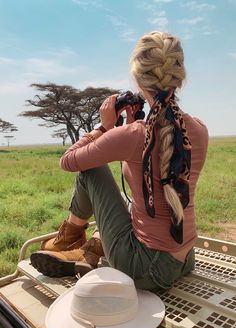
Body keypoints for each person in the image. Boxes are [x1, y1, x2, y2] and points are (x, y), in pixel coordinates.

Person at [30, 31, 208, 290]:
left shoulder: (132, 136)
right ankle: (90, 250)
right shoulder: (199, 129)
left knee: (91, 170)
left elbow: (68, 161)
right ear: (179, 76)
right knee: (133, 199)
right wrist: (134, 124)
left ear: (138, 78)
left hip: (146, 270)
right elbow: (146, 176)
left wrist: (103, 128)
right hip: (184, 259)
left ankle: (69, 239)